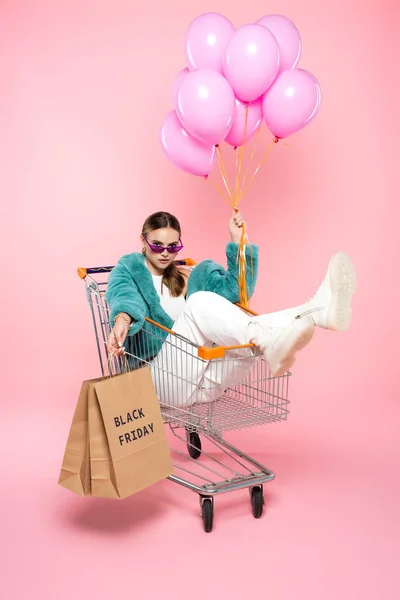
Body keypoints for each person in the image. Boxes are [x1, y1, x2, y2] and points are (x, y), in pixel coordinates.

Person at [106, 211, 356, 406]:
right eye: (157, 245)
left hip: (202, 382)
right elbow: (125, 297)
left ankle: (314, 310)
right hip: (157, 380)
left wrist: (238, 242)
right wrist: (122, 320)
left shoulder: (189, 276)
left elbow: (236, 295)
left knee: (249, 340)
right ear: (143, 240)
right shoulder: (130, 271)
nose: (165, 253)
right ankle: (285, 331)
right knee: (201, 304)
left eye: (173, 247)